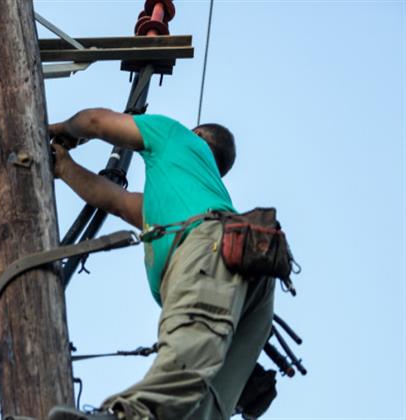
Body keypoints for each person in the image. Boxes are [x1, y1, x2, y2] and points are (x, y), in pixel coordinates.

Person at [47, 109, 275, 420]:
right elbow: (117, 201)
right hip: (248, 274)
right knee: (209, 397)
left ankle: (130, 415)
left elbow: (96, 122)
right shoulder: (185, 196)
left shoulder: (176, 136)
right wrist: (63, 166)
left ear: (196, 135)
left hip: (211, 250)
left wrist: (61, 130)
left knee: (190, 344)